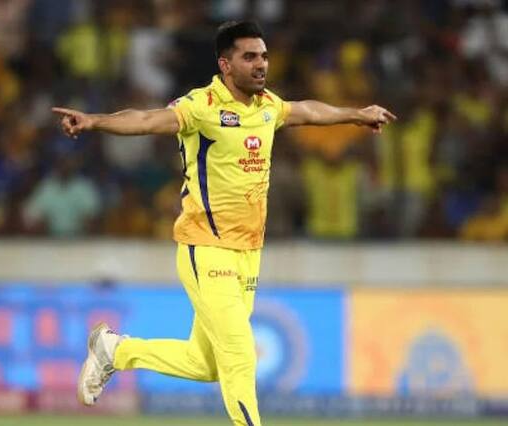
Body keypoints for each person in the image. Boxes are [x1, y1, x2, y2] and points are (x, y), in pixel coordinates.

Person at [52, 21, 396, 426]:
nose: (261, 64)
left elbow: (305, 110)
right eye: (249, 57)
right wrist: (94, 121)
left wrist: (356, 115)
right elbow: (145, 120)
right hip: (206, 248)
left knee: (207, 364)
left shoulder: (268, 105)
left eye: (263, 56)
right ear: (225, 65)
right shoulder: (201, 106)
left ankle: (115, 350)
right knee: (240, 352)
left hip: (248, 253)